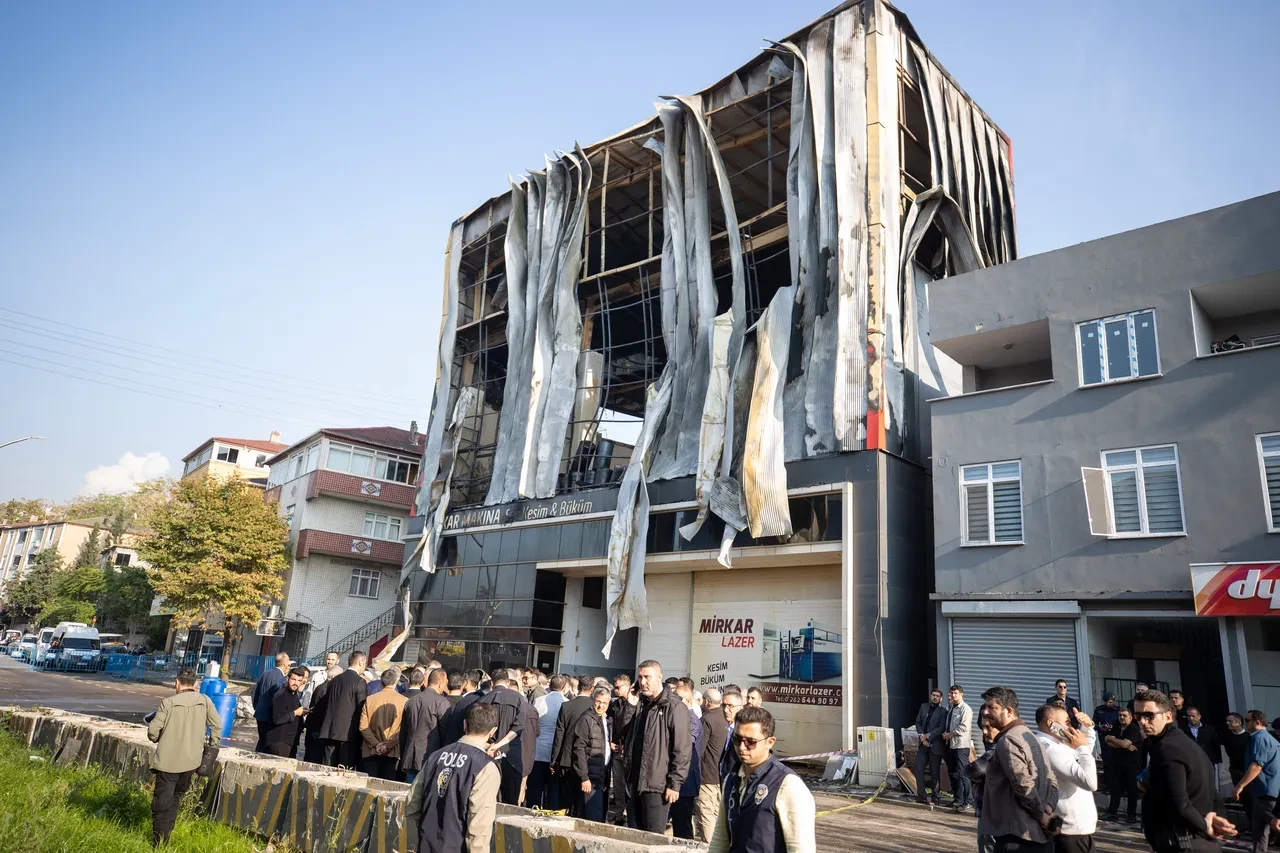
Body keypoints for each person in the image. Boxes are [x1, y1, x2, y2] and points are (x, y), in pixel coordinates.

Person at [1135, 688, 1235, 852]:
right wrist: (1218, 818)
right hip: (1191, 840)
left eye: (1149, 715)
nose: (1143, 721)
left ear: (1168, 716)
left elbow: (1179, 801)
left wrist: (1206, 827)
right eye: (1138, 716)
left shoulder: (1168, 748)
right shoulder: (1179, 742)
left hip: (1184, 843)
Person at [707, 706, 816, 853]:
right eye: (737, 739)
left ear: (770, 742)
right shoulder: (731, 779)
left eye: (750, 742)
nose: (741, 747)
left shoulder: (788, 785)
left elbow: (801, 848)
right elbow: (720, 840)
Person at [406, 702, 501, 853]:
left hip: (426, 844)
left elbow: (412, 803)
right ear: (492, 731)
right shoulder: (485, 767)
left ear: (464, 724)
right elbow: (479, 825)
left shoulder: (436, 756)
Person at [146, 668, 223, 847]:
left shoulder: (168, 703)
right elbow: (217, 725)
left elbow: (152, 732)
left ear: (177, 683)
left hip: (168, 762)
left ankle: (159, 843)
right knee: (176, 798)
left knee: (161, 803)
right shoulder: (205, 700)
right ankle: (167, 835)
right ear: (195, 684)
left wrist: (157, 736)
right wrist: (212, 744)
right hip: (191, 762)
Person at [977, 686, 1058, 853]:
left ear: (1008, 711)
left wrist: (1042, 816)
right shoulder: (1029, 736)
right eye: (985, 707)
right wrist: (1048, 808)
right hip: (1035, 837)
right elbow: (1052, 780)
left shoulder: (1008, 740)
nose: (985, 712)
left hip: (1018, 838)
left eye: (991, 707)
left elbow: (1023, 785)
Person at [623, 660, 692, 834]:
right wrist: (630, 705)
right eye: (640, 677)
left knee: (653, 838)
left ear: (659, 677)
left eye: (647, 677)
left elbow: (682, 749)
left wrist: (674, 783)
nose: (643, 682)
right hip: (634, 782)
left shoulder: (674, 707)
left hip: (657, 785)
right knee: (633, 838)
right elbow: (623, 735)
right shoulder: (640, 704)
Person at [1033, 704, 1097, 853]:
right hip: (1069, 831)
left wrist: (1087, 728)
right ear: (1051, 724)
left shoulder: (1058, 744)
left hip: (1077, 830)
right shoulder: (1049, 748)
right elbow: (1090, 782)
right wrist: (1081, 748)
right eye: (1067, 722)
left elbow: (1083, 750)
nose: (1070, 727)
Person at [1232, 709, 1280, 853]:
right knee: (1259, 827)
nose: (1245, 723)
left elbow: (1257, 766)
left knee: (1271, 823)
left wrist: (1240, 786)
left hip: (1267, 790)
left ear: (1257, 722)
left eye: (1247, 721)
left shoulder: (1260, 738)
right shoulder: (1263, 737)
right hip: (1264, 790)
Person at [477, 668, 528, 805]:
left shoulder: (483, 699)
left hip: (487, 755)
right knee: (510, 802)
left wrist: (491, 745)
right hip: (512, 755)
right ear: (508, 681)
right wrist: (500, 745)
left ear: (492, 683)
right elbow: (519, 727)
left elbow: (477, 729)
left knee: (487, 800)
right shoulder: (519, 698)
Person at [552, 676, 596, 815]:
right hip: (586, 760)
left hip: (566, 758)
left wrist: (554, 759)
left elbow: (559, 735)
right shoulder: (595, 707)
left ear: (577, 688)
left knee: (564, 801)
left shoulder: (566, 706)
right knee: (581, 802)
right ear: (592, 689)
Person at [318, 650, 369, 768]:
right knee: (344, 772)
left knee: (326, 770)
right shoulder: (360, 682)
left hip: (329, 732)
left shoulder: (334, 680)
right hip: (348, 735)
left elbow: (327, 704)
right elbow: (361, 708)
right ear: (361, 662)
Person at [401, 668, 453, 783]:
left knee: (409, 794)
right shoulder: (442, 702)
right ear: (440, 684)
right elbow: (446, 733)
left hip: (410, 756)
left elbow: (403, 733)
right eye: (445, 683)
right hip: (430, 757)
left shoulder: (411, 701)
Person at [572, 687, 613, 821]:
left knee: (598, 815)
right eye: (598, 701)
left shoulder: (606, 719)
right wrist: (584, 777)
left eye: (604, 703)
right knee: (591, 816)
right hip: (590, 776)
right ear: (592, 700)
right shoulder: (586, 719)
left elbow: (601, 740)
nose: (600, 705)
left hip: (602, 774)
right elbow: (579, 749)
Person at [529, 674, 569, 809]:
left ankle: (532, 811)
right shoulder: (566, 703)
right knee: (553, 789)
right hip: (556, 753)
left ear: (550, 685)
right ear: (564, 687)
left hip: (538, 750)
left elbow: (533, 725)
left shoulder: (538, 700)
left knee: (535, 788)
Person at [672, 678, 705, 839]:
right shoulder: (684, 718)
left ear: (686, 701)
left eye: (677, 700)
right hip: (682, 780)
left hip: (685, 783)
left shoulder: (692, 721)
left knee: (683, 825)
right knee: (678, 822)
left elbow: (683, 747)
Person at [361, 667, 407, 780]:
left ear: (381, 682)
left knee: (369, 786)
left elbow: (363, 727)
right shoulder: (404, 701)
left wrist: (376, 744)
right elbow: (403, 729)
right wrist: (388, 744)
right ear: (396, 682)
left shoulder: (370, 699)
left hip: (370, 750)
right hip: (392, 752)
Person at [608, 672, 641, 824]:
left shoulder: (637, 705)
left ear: (627, 686)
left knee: (629, 786)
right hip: (617, 749)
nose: (615, 690)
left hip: (630, 751)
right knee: (618, 786)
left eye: (618, 687)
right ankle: (619, 814)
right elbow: (610, 725)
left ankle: (630, 814)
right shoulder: (615, 705)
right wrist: (610, 740)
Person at [1101, 707, 1143, 823]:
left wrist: (1114, 740)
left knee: (1132, 791)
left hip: (1131, 765)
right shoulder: (1116, 727)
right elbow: (1107, 740)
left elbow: (1124, 744)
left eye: (1124, 715)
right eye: (1120, 715)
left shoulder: (1133, 729)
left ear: (1130, 717)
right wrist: (1116, 741)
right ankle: (1112, 812)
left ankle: (1131, 815)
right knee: (1115, 789)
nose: (1122, 717)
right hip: (1117, 763)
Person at [697, 687, 728, 842]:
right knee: (715, 814)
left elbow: (699, 749)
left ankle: (710, 846)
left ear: (707, 702)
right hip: (718, 775)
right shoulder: (725, 718)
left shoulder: (707, 720)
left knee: (706, 815)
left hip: (706, 775)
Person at [912, 687, 948, 805]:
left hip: (935, 746)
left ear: (941, 699)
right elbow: (918, 722)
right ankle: (921, 796)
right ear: (930, 696)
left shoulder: (943, 712)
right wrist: (921, 735)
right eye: (933, 695)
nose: (935, 697)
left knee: (934, 774)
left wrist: (927, 737)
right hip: (923, 745)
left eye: (937, 696)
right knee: (918, 769)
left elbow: (941, 728)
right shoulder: (924, 707)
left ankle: (935, 797)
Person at [264, 665, 310, 757]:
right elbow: (277, 719)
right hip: (280, 741)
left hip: (291, 741)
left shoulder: (294, 695)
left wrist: (302, 713)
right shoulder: (281, 695)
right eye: (293, 679)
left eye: (299, 681)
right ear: (288, 679)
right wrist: (295, 713)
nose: (296, 683)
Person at [942, 684, 974, 812]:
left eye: (955, 693)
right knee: (953, 773)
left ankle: (969, 801)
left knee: (963, 773)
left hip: (960, 745)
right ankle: (957, 799)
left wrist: (950, 734)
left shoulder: (965, 709)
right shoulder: (951, 708)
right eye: (951, 693)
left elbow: (964, 727)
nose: (953, 695)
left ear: (961, 694)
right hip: (950, 745)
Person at [251, 652, 291, 751]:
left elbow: (254, 692)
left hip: (260, 713)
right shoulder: (281, 678)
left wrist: (257, 707)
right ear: (284, 664)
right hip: (270, 715)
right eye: (289, 664)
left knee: (262, 740)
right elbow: (278, 696)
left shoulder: (265, 673)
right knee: (267, 742)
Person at [303, 664, 342, 764]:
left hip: (316, 729)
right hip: (317, 730)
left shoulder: (324, 687)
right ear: (333, 676)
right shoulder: (326, 689)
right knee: (314, 758)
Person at [1090, 692, 1120, 791]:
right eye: (1106, 702)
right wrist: (1100, 727)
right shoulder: (1099, 710)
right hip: (1104, 739)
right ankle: (1108, 784)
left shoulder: (1118, 710)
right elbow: (1093, 724)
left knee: (1116, 761)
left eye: (1110, 702)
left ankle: (1117, 784)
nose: (1108, 704)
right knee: (1107, 761)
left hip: (1116, 739)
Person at [1183, 707, 1222, 777]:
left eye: (1193, 716)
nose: (1191, 718)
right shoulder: (1182, 730)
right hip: (1191, 761)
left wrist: (1217, 760)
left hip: (1207, 760)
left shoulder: (1209, 729)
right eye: (1189, 716)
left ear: (1199, 716)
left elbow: (1215, 744)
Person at [719, 688, 746, 780]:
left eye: (730, 706)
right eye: (724, 705)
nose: (726, 710)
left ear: (740, 707)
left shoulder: (743, 731)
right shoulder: (729, 728)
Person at [1223, 713, 1250, 795]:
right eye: (1227, 721)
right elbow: (1229, 752)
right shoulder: (1227, 736)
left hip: (1247, 770)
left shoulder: (1249, 737)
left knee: (1249, 794)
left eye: (1230, 721)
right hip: (1234, 769)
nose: (1227, 723)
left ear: (1238, 722)